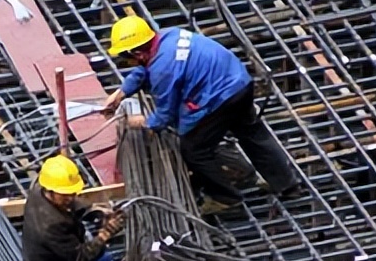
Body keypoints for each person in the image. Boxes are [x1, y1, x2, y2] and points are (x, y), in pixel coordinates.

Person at [102, 16, 302, 214]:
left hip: (219, 97)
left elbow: (166, 114)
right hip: (239, 81)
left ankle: (225, 197)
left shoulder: (163, 68)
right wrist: (121, 92)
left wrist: (143, 122)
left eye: (125, 56)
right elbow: (144, 68)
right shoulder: (167, 35)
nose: (126, 61)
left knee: (194, 149)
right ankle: (286, 184)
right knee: (252, 134)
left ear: (137, 52)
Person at [18, 154, 125, 261]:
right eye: (65, 195)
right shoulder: (50, 226)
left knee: (107, 259)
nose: (70, 197)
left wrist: (94, 212)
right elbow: (80, 258)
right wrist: (105, 234)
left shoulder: (40, 190)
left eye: (72, 193)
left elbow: (70, 203)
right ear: (51, 192)